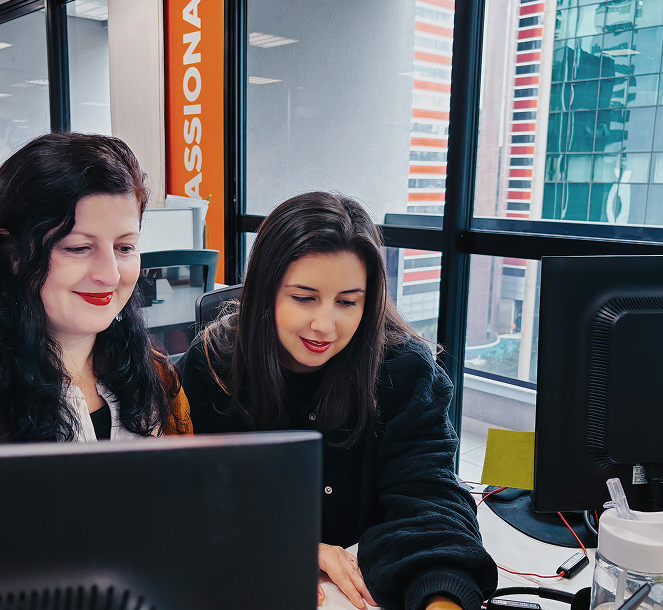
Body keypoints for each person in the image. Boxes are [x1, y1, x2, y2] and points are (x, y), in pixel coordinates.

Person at [179, 192, 497, 610]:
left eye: (348, 302)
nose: (324, 324)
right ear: (266, 291)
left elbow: (429, 498)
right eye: (303, 297)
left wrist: (442, 597)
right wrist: (283, 545)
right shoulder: (213, 367)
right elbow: (187, 505)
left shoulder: (403, 370)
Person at [0, 132, 191, 450]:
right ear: (12, 254)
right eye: (78, 248)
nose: (110, 274)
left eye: (125, 247)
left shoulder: (156, 376)